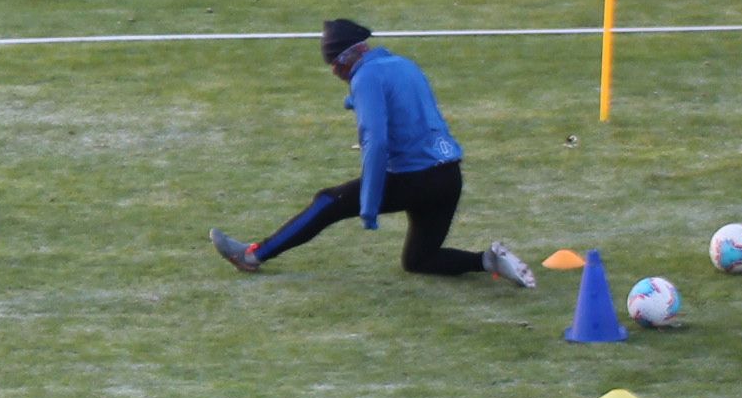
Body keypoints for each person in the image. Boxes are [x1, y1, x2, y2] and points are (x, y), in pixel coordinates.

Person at [214, 21, 542, 287]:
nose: (334, 73)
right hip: (448, 176)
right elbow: (409, 108)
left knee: (329, 202)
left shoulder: (365, 76)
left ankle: (253, 255)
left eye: (334, 65)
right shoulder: (401, 64)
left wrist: (369, 204)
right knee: (419, 261)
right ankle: (488, 261)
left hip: (417, 178)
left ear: (347, 58)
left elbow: (377, 143)